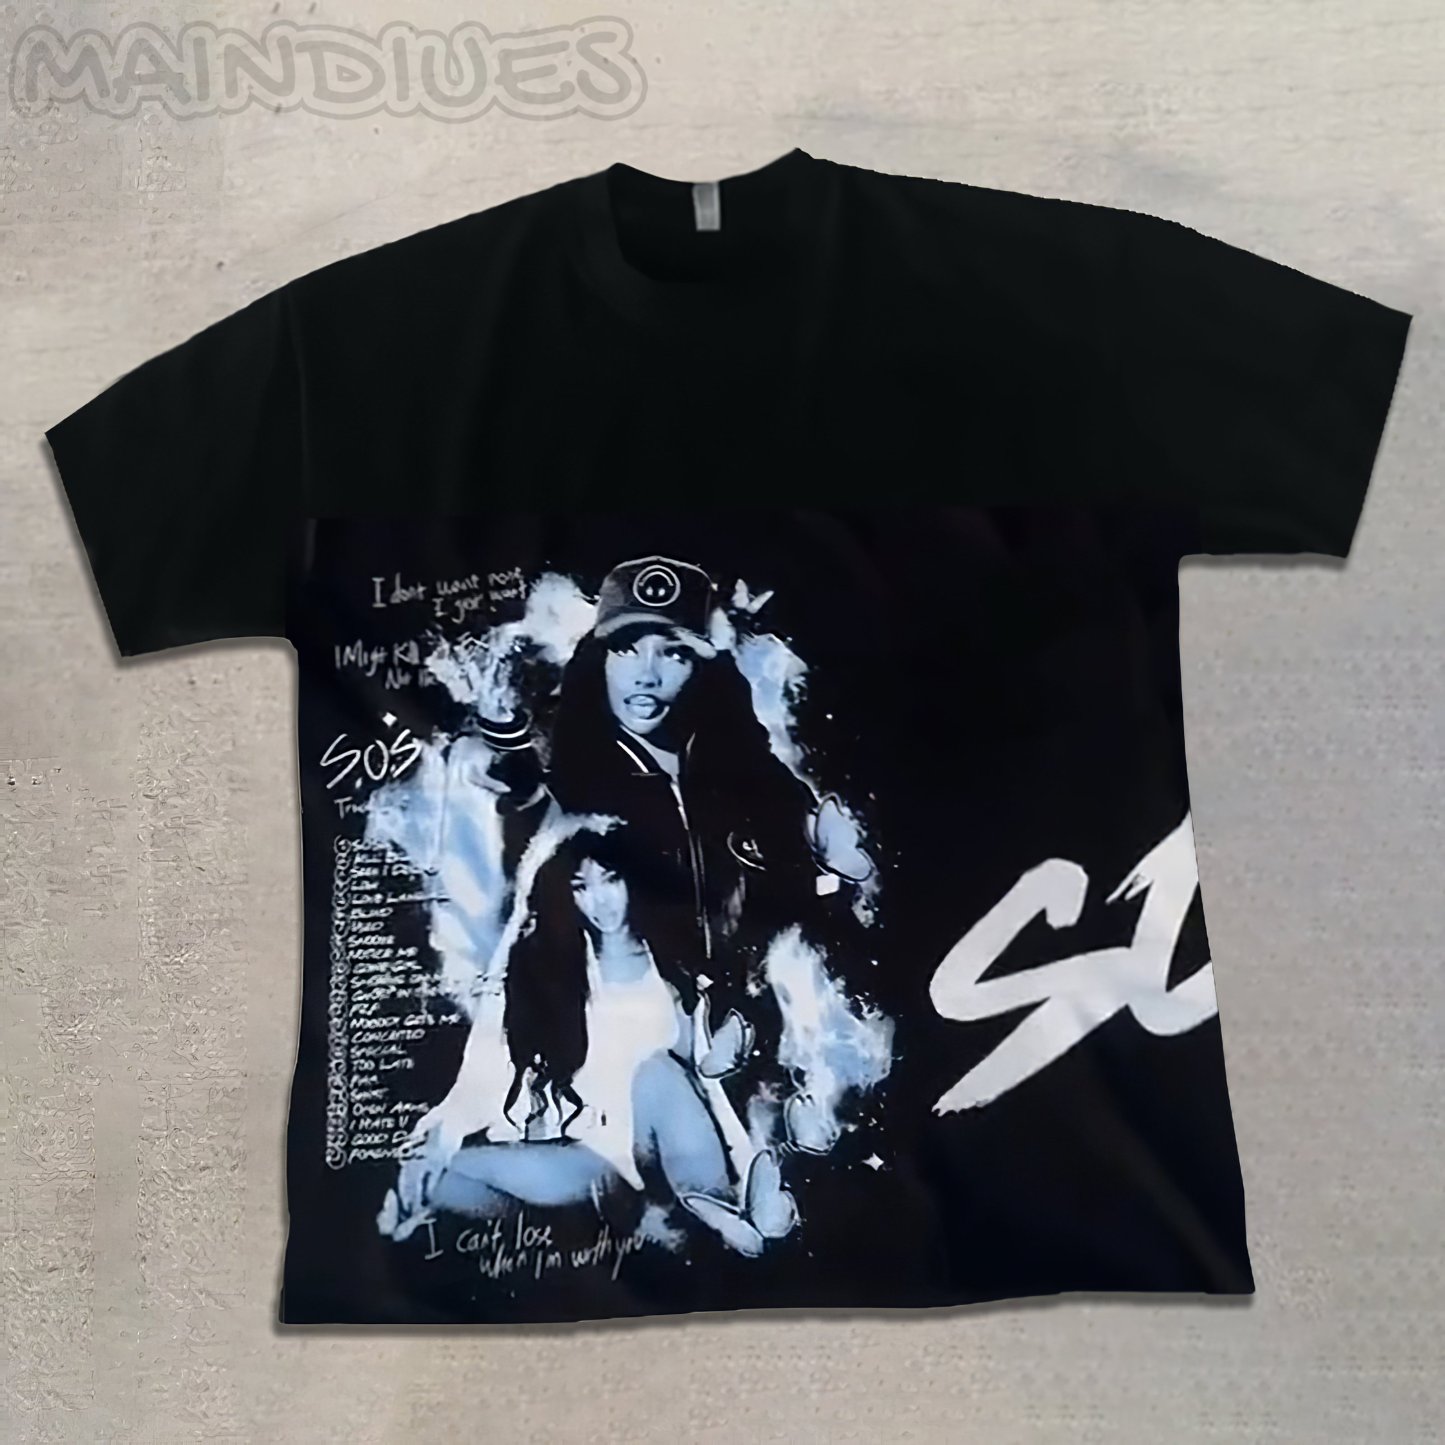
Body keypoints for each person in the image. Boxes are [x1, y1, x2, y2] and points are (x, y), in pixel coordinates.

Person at [379, 825, 796, 1256]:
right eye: (581, 887)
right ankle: (550, 1246)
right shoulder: (557, 972)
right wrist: (440, 1140)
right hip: (597, 1156)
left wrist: (749, 1165)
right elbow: (486, 1061)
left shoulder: (675, 967)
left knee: (657, 1073)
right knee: (439, 1177)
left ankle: (715, 1213)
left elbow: (712, 1088)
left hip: (666, 1141)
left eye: (610, 880)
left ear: (631, 879)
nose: (600, 900)